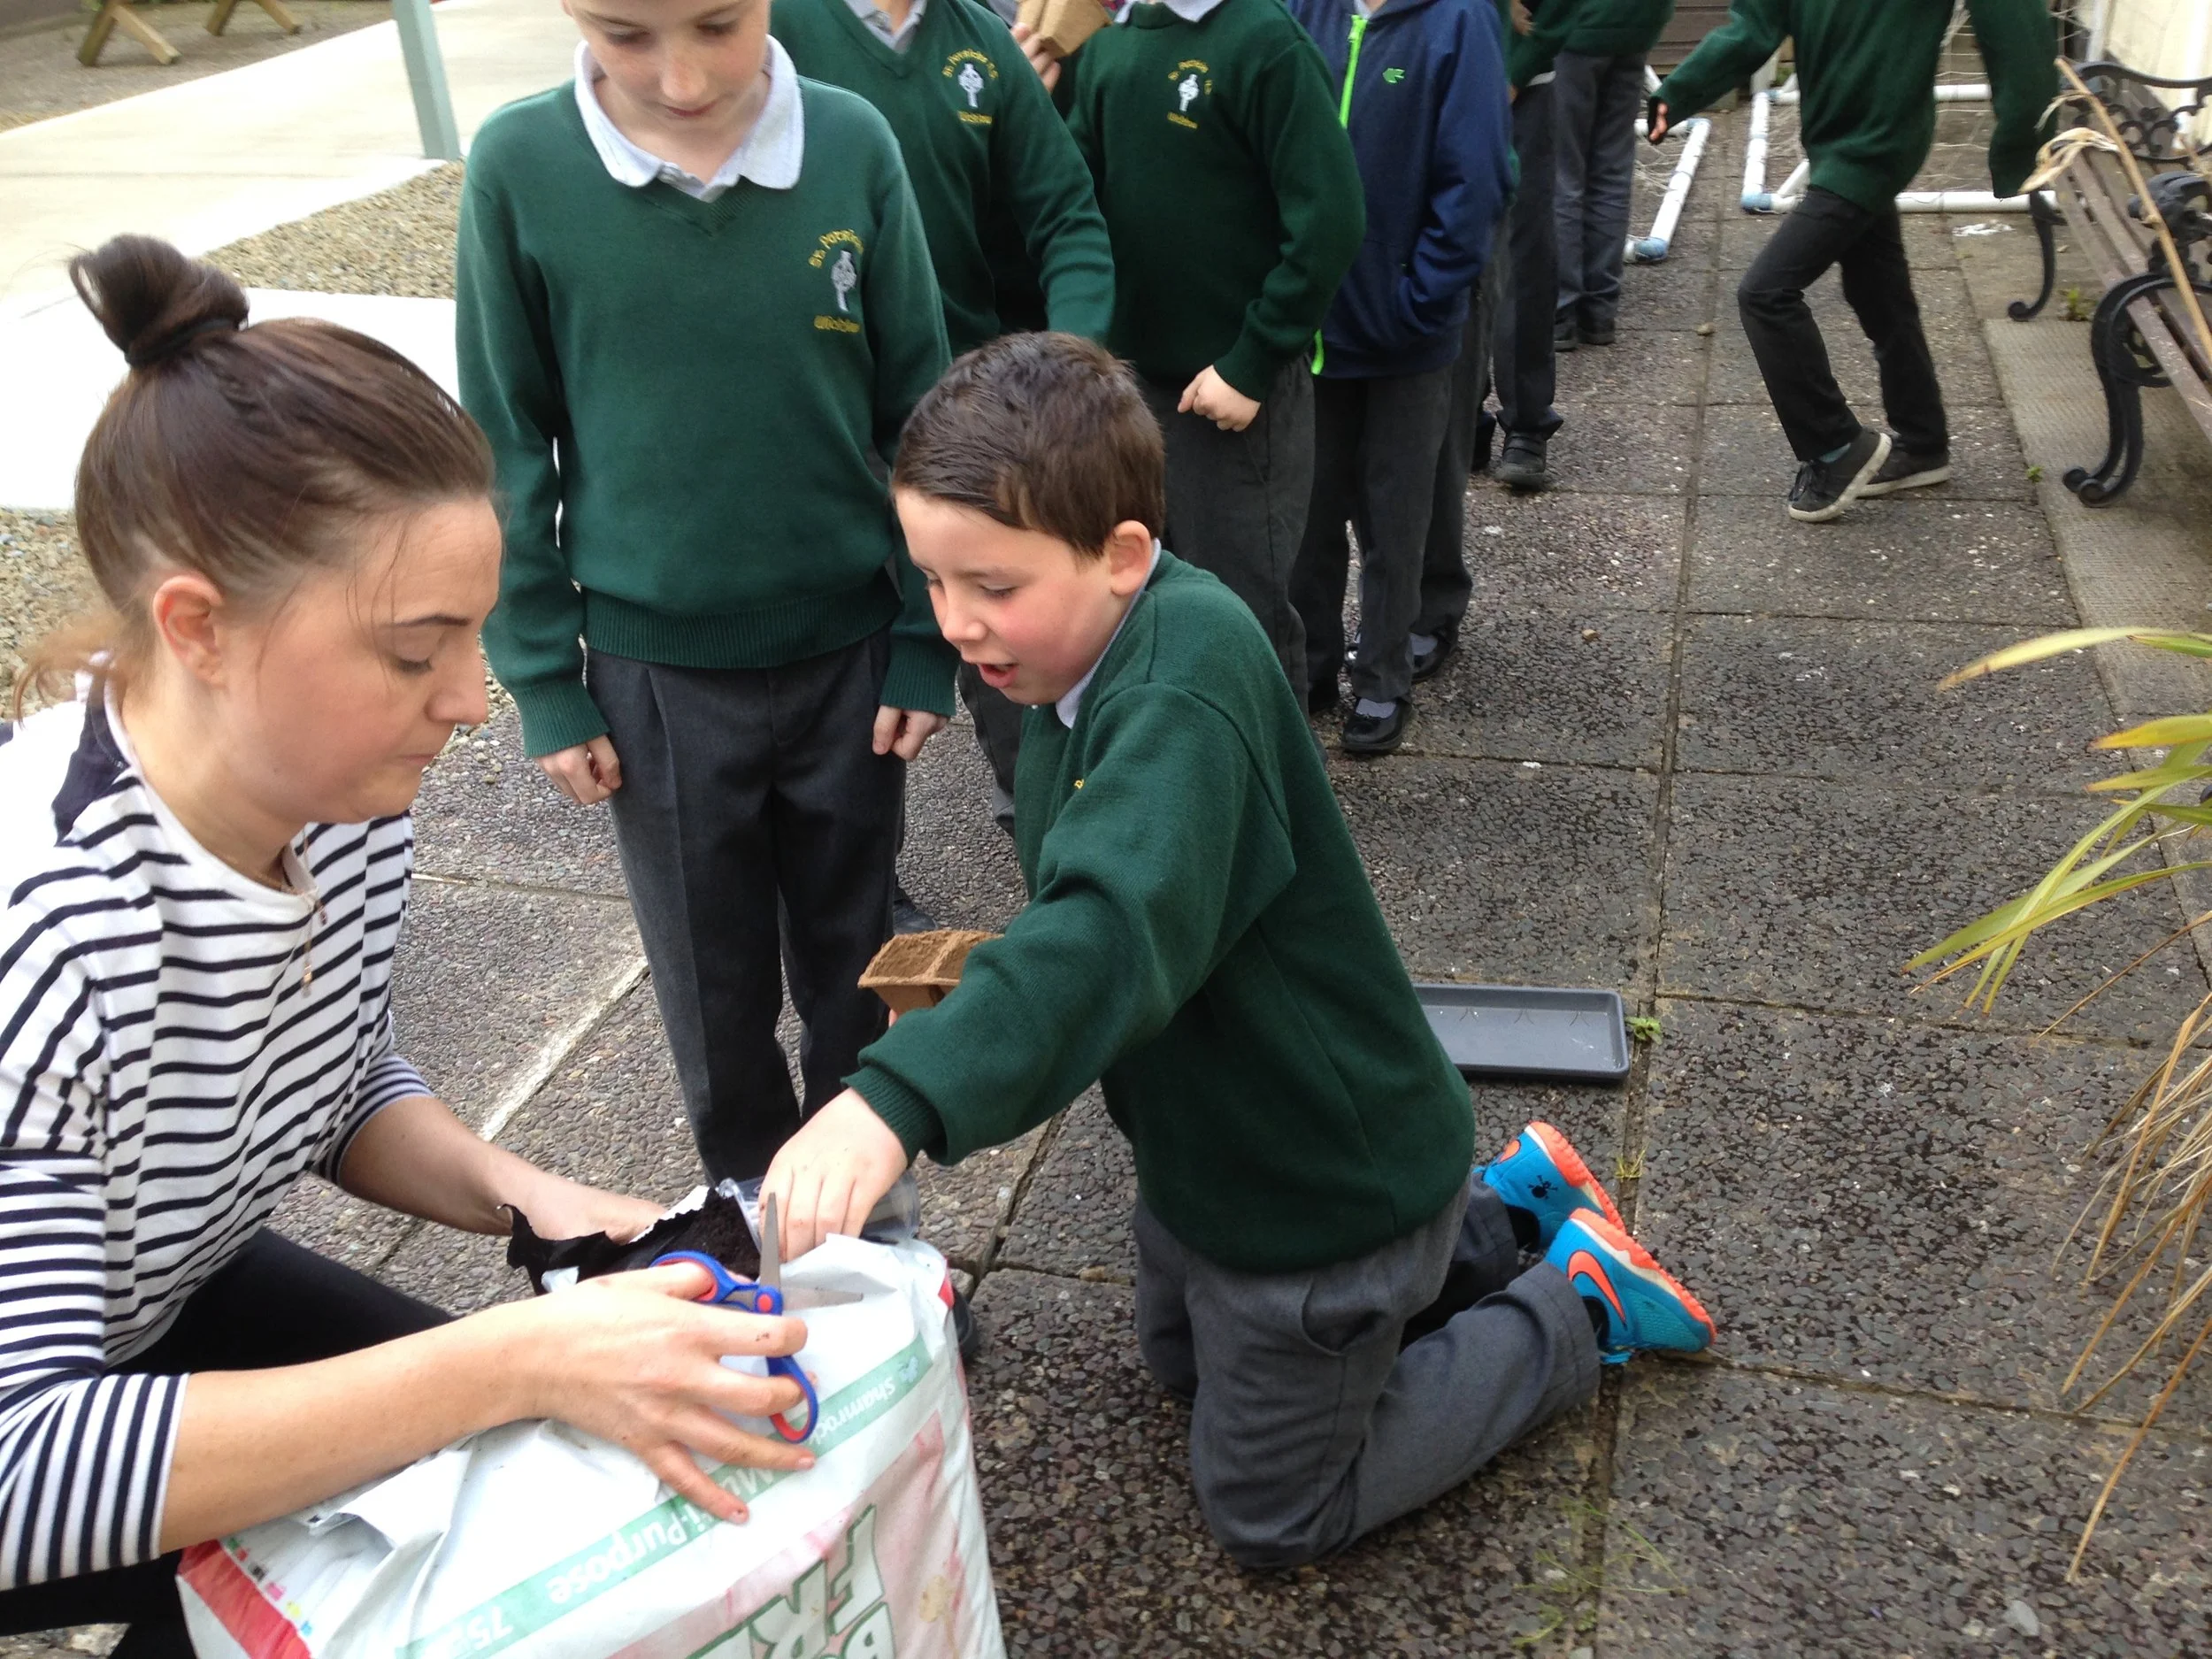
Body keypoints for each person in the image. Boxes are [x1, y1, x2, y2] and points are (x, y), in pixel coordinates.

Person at [758, 334, 1714, 1567]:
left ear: (1123, 555)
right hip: (1221, 1147)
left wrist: (895, 1099)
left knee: (1271, 1508)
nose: (957, 624)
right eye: (933, 584)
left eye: (991, 585)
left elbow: (1108, 927)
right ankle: (1497, 1216)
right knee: (1176, 1365)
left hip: (1316, 1180)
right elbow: (1104, 909)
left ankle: (1573, 1309)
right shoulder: (1078, 656)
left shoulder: (1185, 685)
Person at [0, 237, 817, 1655]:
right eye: (413, 648)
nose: (468, 699)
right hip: (35, 1419)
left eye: (478, 635)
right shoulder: (47, 935)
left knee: (474, 1481)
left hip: (140, 1306)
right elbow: (22, 1471)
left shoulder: (337, 793)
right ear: (197, 625)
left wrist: (555, 1204)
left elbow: (325, 1073)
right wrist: (511, 1353)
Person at [457, 0, 957, 1189]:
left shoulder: (852, 144)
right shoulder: (520, 166)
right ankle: (747, 1190)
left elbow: (925, 416)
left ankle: (858, 1201)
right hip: (653, 677)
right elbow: (505, 440)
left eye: (717, 26)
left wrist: (927, 631)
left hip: (846, 651)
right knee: (708, 975)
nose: (680, 80)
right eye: (626, 36)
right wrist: (542, 676)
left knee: (857, 957)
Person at [772, 0, 1117, 836]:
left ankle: (1040, 815)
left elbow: (1067, 214)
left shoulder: (983, 41)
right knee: (842, 656)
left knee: (994, 615)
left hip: (961, 417)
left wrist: (1062, 370)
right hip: (824, 417)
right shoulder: (768, 26)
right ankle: (858, 881)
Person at [1028, 0, 1365, 705]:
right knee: (1142, 609)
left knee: (1245, 613)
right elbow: (1072, 200)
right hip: (1127, 392)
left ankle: (1271, 798)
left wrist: (1252, 359)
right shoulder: (1112, 47)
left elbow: (1330, 218)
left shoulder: (1264, 43)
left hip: (1232, 399)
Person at [1648, 0, 2055, 520]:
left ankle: (1838, 447)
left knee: (1765, 294)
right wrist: (1679, 92)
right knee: (1879, 293)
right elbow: (1754, 25)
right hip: (1834, 138)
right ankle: (1924, 443)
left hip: (1877, 143)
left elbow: (2015, 21)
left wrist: (2027, 135)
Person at [1286, 0, 1514, 754]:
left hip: (1407, 335)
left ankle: (1382, 675)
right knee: (1310, 510)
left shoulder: (1457, 20)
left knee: (1397, 510)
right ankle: (1314, 663)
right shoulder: (1303, 11)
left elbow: (1474, 176)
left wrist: (1422, 299)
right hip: (1316, 327)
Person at [1552, 0, 1672, 350]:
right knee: (1612, 172)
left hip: (1571, 25)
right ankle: (1599, 311)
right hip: (1637, 24)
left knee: (1562, 175)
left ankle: (1560, 313)